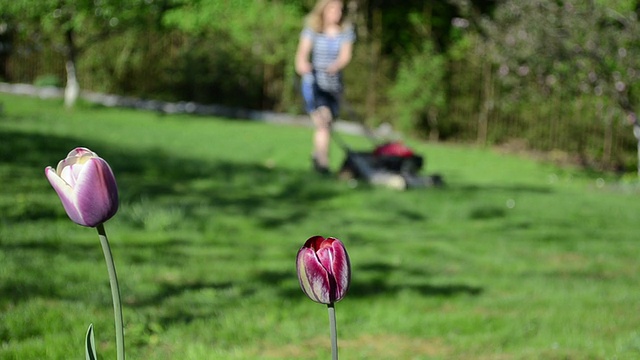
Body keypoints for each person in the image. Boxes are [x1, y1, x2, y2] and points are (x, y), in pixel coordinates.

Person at [295, 0, 355, 174]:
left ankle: (318, 156)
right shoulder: (312, 29)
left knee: (327, 125)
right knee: (323, 122)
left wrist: (336, 66)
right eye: (333, 9)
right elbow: (301, 56)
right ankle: (322, 163)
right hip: (314, 85)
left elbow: (346, 55)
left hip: (334, 86)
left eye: (339, 9)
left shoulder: (345, 31)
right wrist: (303, 66)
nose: (337, 13)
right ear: (324, 10)